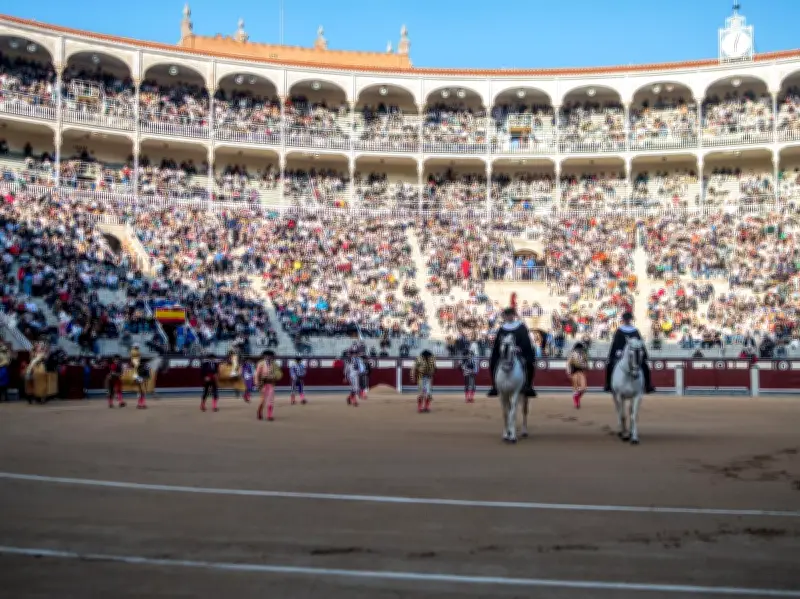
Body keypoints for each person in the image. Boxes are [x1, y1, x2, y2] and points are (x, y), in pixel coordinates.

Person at [487, 307, 537, 398]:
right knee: (493, 363)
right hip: (504, 352)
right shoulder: (502, 328)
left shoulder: (521, 327)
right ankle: (495, 386)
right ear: (505, 316)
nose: (508, 317)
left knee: (529, 363)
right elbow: (498, 342)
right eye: (507, 315)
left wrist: (519, 348)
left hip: (519, 352)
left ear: (513, 316)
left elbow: (526, 341)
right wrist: (500, 349)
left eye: (510, 315)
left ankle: (528, 386)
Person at [604, 312, 655, 394]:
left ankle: (647, 385)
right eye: (626, 319)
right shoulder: (620, 330)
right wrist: (617, 351)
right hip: (621, 353)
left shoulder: (635, 330)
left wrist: (643, 355)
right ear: (624, 320)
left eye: (628, 319)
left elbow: (639, 343)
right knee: (610, 365)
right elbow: (615, 343)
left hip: (634, 353)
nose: (627, 321)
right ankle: (609, 385)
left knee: (645, 366)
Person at [255, 350, 282, 421]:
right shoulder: (260, 363)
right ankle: (259, 411)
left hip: (271, 384)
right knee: (262, 400)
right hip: (263, 384)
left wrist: (274, 376)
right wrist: (257, 384)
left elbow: (279, 373)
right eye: (267, 356)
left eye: (270, 356)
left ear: (272, 357)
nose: (268, 357)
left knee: (270, 400)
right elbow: (257, 374)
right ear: (264, 356)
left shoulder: (274, 364)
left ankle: (269, 415)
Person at [566, 339, 589, 409]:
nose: (580, 350)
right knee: (576, 388)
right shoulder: (572, 354)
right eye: (579, 349)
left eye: (581, 349)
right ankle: (576, 402)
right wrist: (569, 372)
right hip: (574, 372)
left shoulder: (584, 354)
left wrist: (586, 369)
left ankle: (576, 397)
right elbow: (568, 364)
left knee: (584, 388)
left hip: (581, 371)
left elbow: (586, 363)